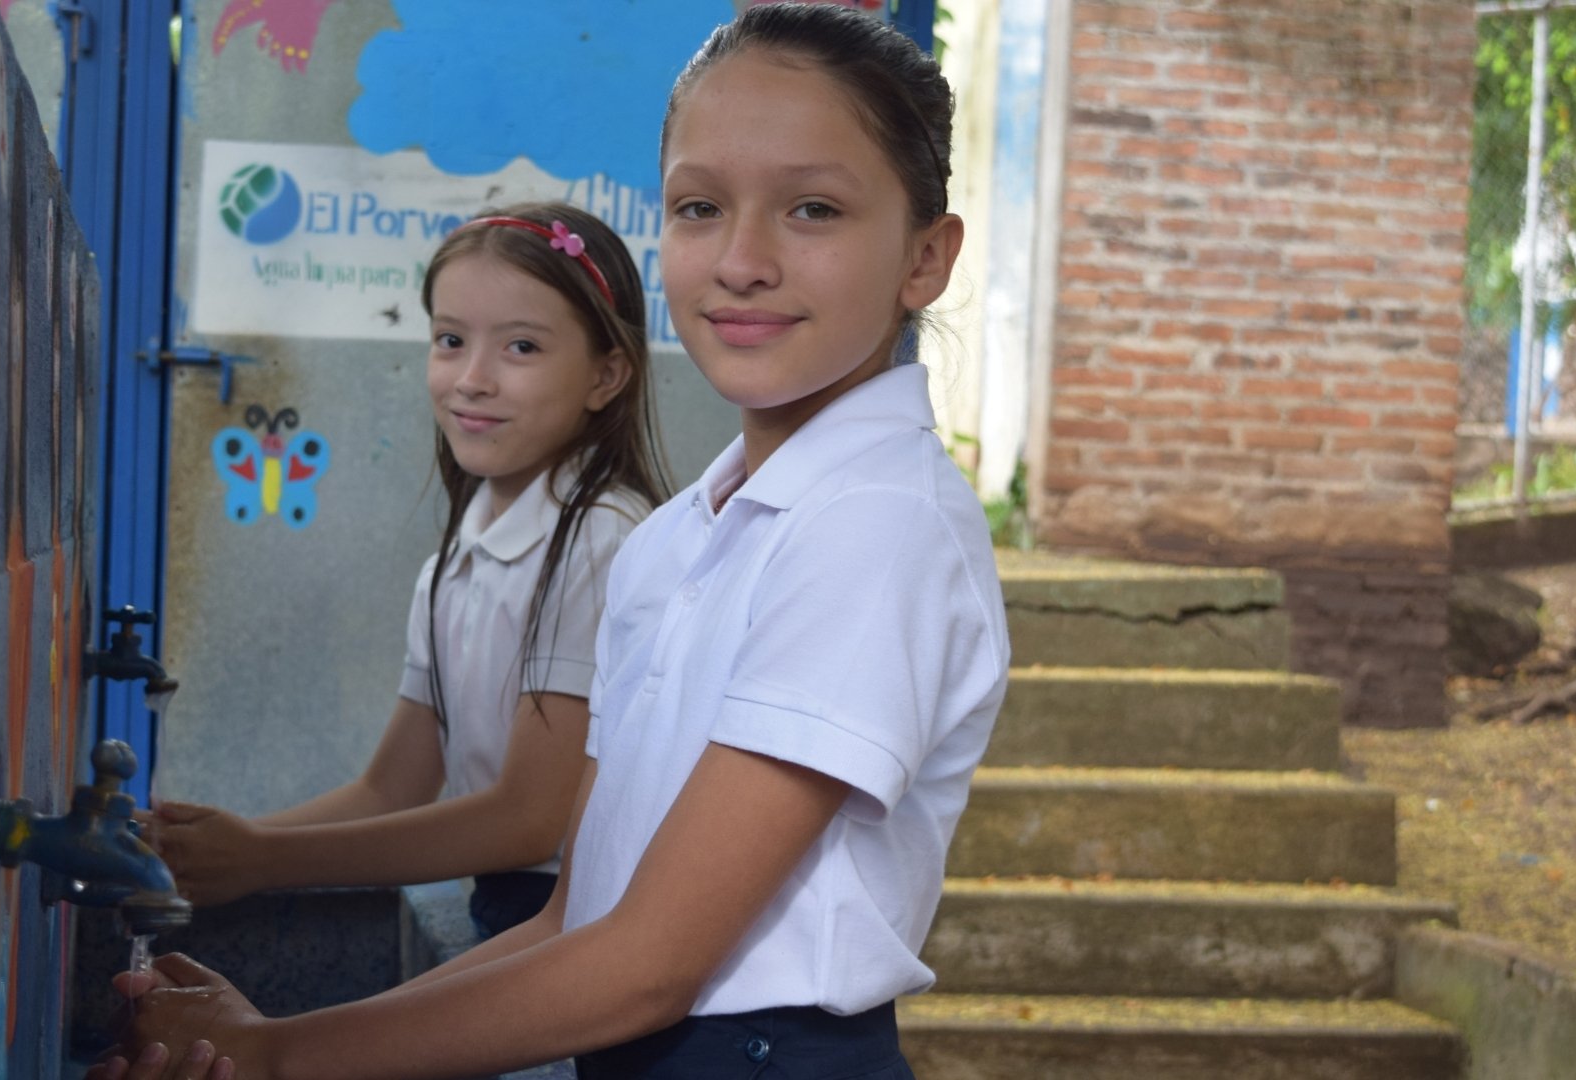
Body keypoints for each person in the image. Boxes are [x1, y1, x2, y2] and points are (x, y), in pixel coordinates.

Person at [101, 7, 1007, 1078]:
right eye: (700, 207)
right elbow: (576, 919)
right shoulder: (682, 539)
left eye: (814, 208)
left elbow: (648, 963)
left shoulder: (875, 526)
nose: (743, 260)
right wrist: (266, 1045)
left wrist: (279, 1059)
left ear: (926, 258)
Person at [145, 201, 667, 943]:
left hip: (579, 929)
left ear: (606, 374)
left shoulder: (600, 541)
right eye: (450, 340)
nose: (472, 379)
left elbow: (526, 822)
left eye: (521, 347)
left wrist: (263, 859)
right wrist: (205, 853)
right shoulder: (454, 563)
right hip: (510, 916)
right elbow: (390, 789)